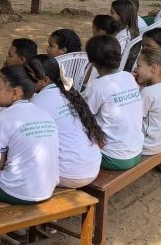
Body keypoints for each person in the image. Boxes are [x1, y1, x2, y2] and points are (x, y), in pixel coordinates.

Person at [33, 55, 106, 188]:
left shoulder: (38, 102)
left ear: (44, 80)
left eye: (28, 77)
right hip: (93, 166)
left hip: (69, 174)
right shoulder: (68, 93)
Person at [0, 64, 59, 204]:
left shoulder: (3, 119)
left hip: (15, 191)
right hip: (47, 188)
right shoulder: (43, 113)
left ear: (15, 93)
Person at [82, 35, 144, 170]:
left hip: (112, 158)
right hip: (136, 152)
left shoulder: (97, 86)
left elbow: (84, 117)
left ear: (91, 60)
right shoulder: (128, 77)